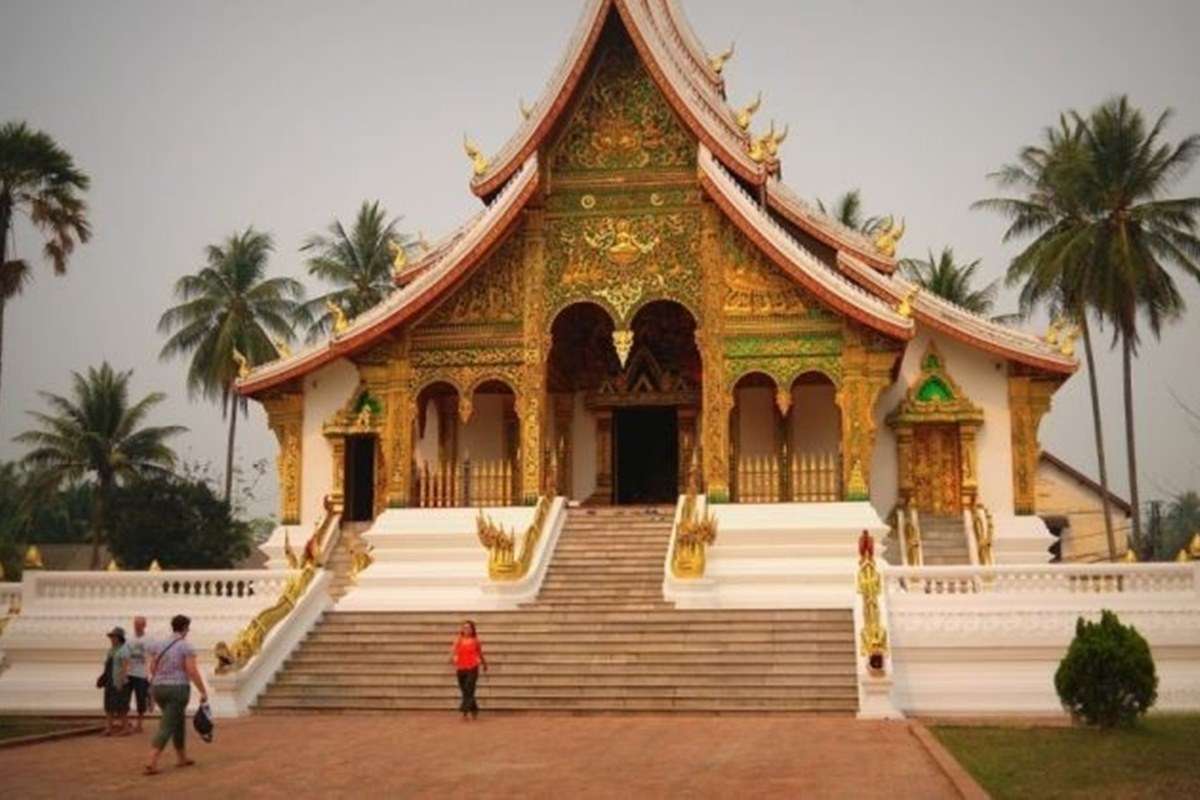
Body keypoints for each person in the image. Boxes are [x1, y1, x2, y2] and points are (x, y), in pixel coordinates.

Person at [144, 614, 208, 776]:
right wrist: (202, 690)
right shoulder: (185, 647)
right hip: (177, 689)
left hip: (159, 688)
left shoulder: (159, 645)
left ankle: (182, 757)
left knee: (177, 721)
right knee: (167, 725)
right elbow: (191, 671)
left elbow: (152, 668)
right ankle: (151, 760)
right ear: (185, 628)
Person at [449, 620, 488, 720]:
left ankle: (464, 711)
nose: (467, 629)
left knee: (469, 687)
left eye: (469, 628)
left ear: (472, 629)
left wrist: (484, 663)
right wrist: (452, 659)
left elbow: (480, 653)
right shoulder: (458, 640)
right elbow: (453, 652)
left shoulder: (476, 641)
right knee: (465, 691)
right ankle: (474, 709)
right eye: (465, 627)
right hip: (461, 668)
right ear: (462, 629)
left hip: (473, 667)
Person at [102, 626, 132, 736]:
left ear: (119, 638)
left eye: (113, 637)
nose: (111, 639)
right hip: (110, 681)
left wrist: (122, 681)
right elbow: (108, 666)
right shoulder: (111, 650)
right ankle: (108, 729)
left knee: (122, 707)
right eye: (111, 637)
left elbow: (125, 667)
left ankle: (126, 729)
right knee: (108, 706)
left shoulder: (124, 649)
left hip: (120, 681)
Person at [127, 616, 153, 733]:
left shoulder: (149, 639)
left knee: (141, 699)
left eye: (139, 624)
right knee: (124, 698)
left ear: (144, 625)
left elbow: (154, 655)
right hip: (129, 672)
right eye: (135, 624)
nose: (136, 626)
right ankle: (125, 721)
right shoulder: (129, 639)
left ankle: (139, 723)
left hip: (142, 674)